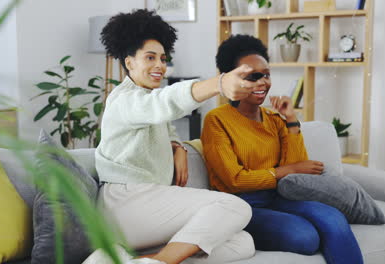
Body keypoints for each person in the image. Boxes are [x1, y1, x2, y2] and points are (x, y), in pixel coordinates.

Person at [84, 10, 257, 264]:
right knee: (236, 207)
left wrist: (178, 147)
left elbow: (162, 121)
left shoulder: (144, 97)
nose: (160, 66)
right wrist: (218, 84)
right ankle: (159, 261)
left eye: (163, 59)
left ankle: (131, 258)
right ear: (129, 62)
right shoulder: (123, 99)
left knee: (242, 243)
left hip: (147, 208)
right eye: (150, 57)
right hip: (125, 203)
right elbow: (164, 103)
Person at [200, 34, 363, 264]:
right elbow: (234, 181)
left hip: (279, 196)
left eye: (266, 75)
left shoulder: (275, 119)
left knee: (334, 218)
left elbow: (298, 172)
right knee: (305, 237)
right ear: (231, 79)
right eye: (252, 76)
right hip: (240, 205)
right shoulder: (216, 120)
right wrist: (286, 170)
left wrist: (292, 121)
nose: (263, 82)